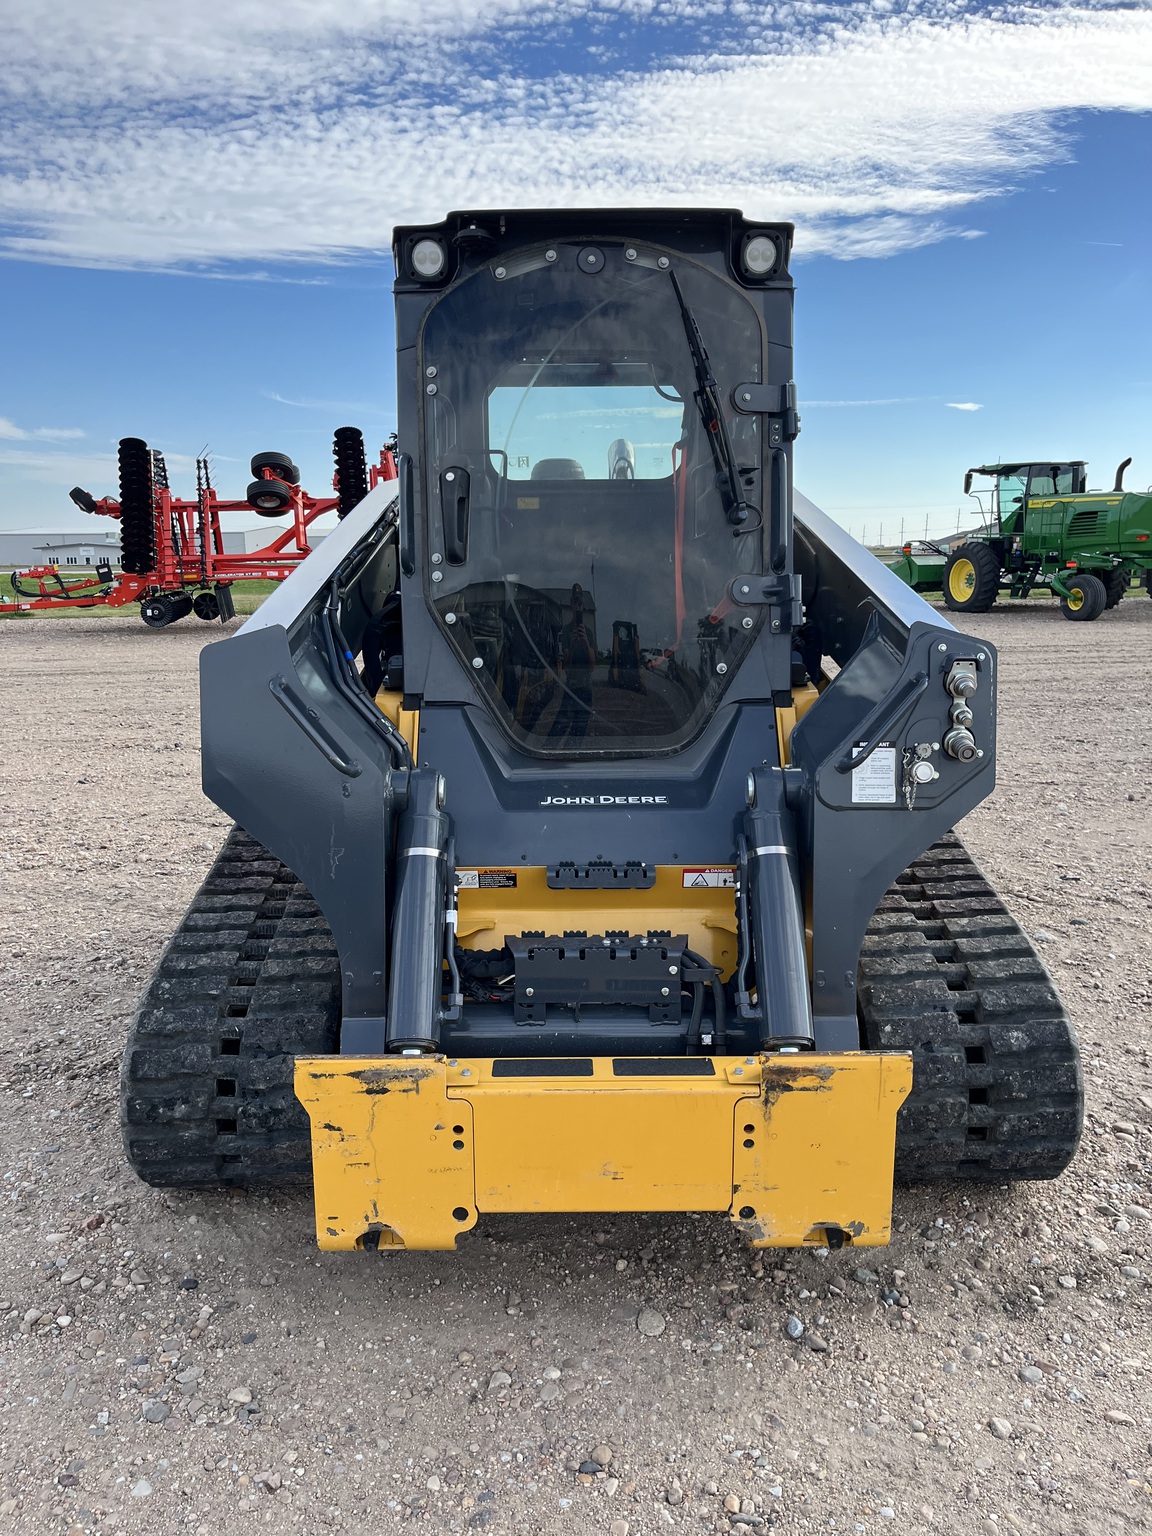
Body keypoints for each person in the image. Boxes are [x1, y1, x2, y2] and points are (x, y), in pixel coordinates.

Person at [548, 583, 596, 739]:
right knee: (558, 729)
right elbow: (567, 666)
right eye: (575, 603)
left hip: (586, 689)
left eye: (580, 603)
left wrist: (586, 643)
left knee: (579, 733)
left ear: (583, 606)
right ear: (571, 605)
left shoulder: (588, 633)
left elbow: (593, 665)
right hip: (571, 689)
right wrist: (574, 645)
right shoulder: (567, 631)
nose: (578, 606)